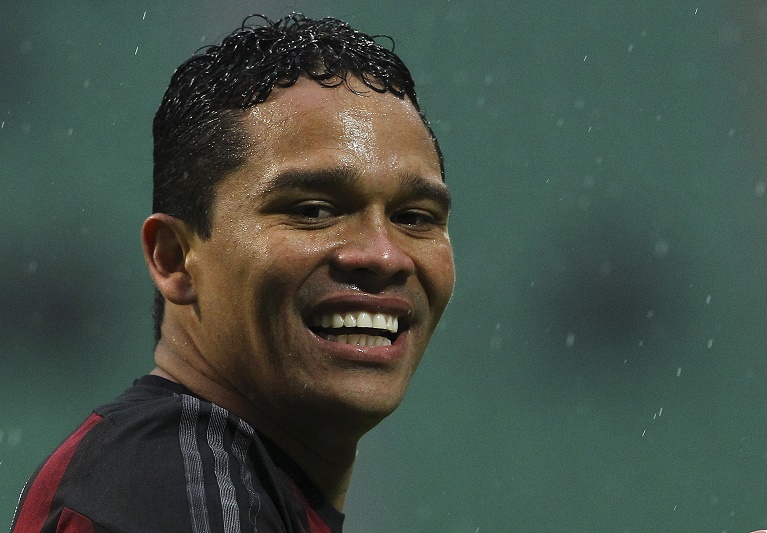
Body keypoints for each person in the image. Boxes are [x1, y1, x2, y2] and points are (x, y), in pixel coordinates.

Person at [12, 13, 454, 532]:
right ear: (174, 258)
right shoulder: (177, 486)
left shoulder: (201, 478)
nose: (383, 256)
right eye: (312, 210)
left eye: (414, 218)